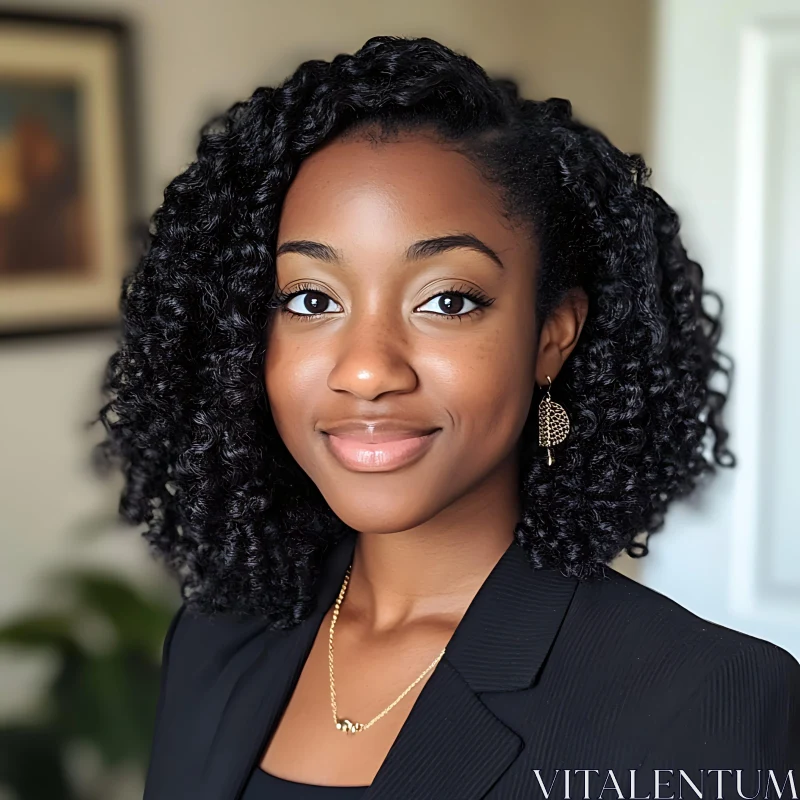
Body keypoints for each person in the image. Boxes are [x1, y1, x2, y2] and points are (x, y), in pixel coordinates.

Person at [94, 35, 800, 800]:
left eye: (448, 300)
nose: (367, 369)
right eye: (311, 299)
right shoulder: (217, 639)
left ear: (551, 336)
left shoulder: (708, 699)